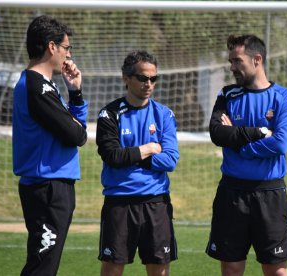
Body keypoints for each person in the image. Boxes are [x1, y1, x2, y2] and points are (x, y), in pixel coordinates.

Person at [205, 34, 287, 276]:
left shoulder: (285, 98)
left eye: (237, 61)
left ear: (257, 59)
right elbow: (217, 133)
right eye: (231, 61)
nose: (232, 67)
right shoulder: (227, 95)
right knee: (231, 268)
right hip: (232, 194)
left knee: (276, 270)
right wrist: (256, 135)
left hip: (270, 194)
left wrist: (240, 145)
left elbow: (280, 143)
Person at [12, 15, 88, 276]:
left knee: (45, 264)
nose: (68, 55)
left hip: (52, 186)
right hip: (46, 188)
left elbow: (77, 131)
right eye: (67, 48)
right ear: (52, 47)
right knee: (42, 266)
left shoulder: (45, 86)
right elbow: (77, 135)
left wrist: (75, 93)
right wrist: (77, 124)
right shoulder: (37, 87)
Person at [96, 50, 179, 276]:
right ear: (126, 78)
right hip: (119, 203)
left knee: (159, 269)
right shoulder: (109, 115)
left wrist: (131, 157)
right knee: (113, 268)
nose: (149, 84)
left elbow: (171, 160)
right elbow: (112, 156)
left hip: (156, 202)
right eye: (142, 78)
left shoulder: (164, 115)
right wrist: (149, 148)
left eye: (153, 79)